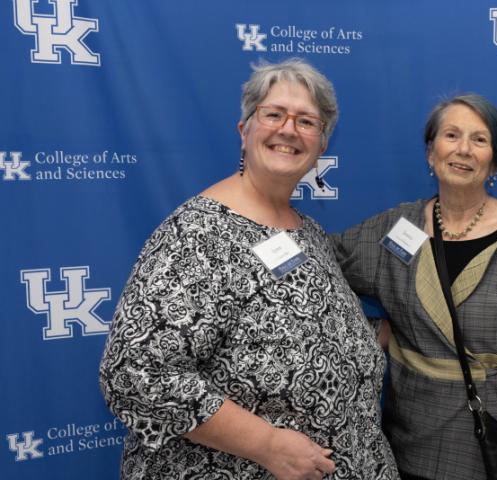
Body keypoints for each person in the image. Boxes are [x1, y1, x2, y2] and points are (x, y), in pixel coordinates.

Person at [99, 58, 398, 480]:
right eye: (273, 114)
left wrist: (379, 335)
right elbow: (135, 372)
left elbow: (309, 326)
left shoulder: (306, 230)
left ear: (321, 146)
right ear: (245, 131)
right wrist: (267, 444)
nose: (289, 129)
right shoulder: (197, 234)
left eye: (307, 121)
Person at [333, 94, 497, 480]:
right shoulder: (397, 229)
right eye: (451, 135)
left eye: (479, 140)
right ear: (431, 152)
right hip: (418, 444)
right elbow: (320, 265)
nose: (463, 149)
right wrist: (370, 332)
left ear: (494, 161)